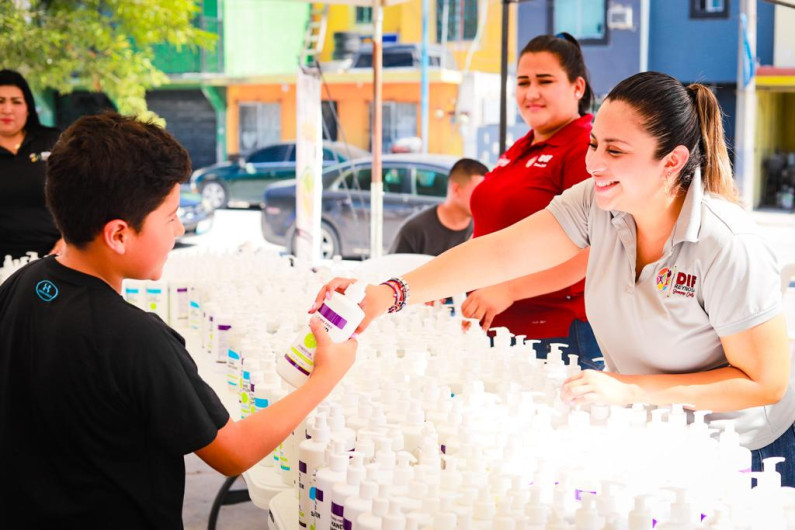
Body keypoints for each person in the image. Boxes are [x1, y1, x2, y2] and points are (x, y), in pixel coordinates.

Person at [314, 71, 795, 486]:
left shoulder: (726, 244)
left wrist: (630, 389)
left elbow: (765, 382)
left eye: (615, 150)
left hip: (749, 451)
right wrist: (390, 294)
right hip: (665, 431)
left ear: (671, 161)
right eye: (593, 144)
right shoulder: (600, 203)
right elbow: (502, 252)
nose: (593, 163)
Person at [0, 112, 357, 527]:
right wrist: (325, 377)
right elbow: (232, 452)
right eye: (170, 216)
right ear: (119, 234)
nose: (180, 226)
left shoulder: (22, 284)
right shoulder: (137, 339)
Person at [462, 33, 601, 369]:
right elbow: (490, 229)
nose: (531, 92)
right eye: (523, 82)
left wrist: (507, 290)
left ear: (577, 87)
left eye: (545, 81)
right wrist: (447, 279)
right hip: (498, 332)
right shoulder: (522, 146)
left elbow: (591, 251)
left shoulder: (584, 146)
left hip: (554, 338)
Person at [0, 69, 64, 260]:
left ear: (28, 107)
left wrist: (69, 240)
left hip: (55, 256)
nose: (7, 109)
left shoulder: (54, 141)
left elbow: (82, 196)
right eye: (0, 101)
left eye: (16, 102)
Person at [388, 157, 488, 256]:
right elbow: (393, 269)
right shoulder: (414, 230)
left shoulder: (483, 232)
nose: (484, 199)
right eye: (479, 192)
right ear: (457, 189)